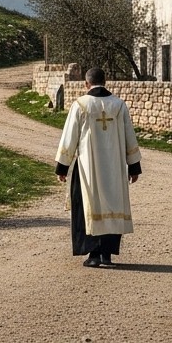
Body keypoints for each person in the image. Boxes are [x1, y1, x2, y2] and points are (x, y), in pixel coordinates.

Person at [55, 67, 142, 267]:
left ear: (86, 84)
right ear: (106, 80)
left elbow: (69, 138)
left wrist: (62, 167)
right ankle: (107, 254)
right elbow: (130, 136)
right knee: (112, 206)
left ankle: (93, 255)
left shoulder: (80, 105)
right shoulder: (119, 105)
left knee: (86, 206)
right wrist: (134, 166)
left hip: (88, 169)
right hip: (114, 168)